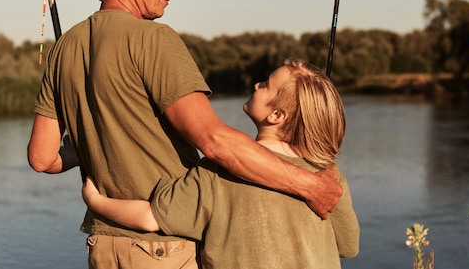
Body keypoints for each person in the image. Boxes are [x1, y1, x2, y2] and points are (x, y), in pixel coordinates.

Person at [27, 0, 343, 269]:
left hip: (102, 246)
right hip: (164, 247)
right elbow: (213, 141)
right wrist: (310, 186)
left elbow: (43, 159)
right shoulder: (153, 39)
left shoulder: (63, 48)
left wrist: (85, 145)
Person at [82, 58, 360, 269]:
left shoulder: (218, 172)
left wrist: (96, 202)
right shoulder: (329, 178)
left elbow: (150, 217)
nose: (256, 84)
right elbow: (348, 247)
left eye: (265, 85)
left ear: (277, 114)